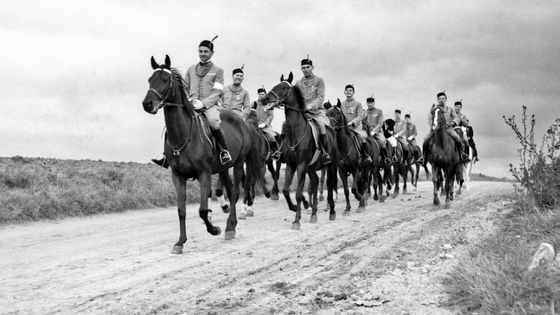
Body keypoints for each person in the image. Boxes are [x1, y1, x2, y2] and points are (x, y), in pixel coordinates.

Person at [151, 37, 231, 168]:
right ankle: (166, 155)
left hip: (209, 106)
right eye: (200, 51)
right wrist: (189, 99)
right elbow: (185, 88)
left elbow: (218, 92)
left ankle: (224, 151)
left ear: (212, 53)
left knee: (213, 123)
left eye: (206, 51)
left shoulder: (218, 71)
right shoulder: (191, 69)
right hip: (191, 104)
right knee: (173, 123)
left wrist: (203, 103)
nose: (203, 54)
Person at [273, 56, 332, 164]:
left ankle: (325, 153)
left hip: (316, 112)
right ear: (301, 69)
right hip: (302, 114)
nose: (305, 69)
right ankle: (280, 151)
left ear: (312, 67)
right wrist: (279, 102)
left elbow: (320, 98)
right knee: (285, 124)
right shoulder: (298, 83)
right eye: (303, 67)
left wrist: (310, 106)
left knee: (322, 126)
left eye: (308, 67)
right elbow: (293, 98)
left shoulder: (319, 80)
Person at [421, 91, 468, 166]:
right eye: (439, 99)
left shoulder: (450, 109)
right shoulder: (434, 109)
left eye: (443, 98)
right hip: (436, 130)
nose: (441, 100)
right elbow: (430, 119)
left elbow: (456, 117)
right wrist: (432, 127)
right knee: (425, 140)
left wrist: (453, 122)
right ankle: (424, 158)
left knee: (458, 139)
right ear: (437, 100)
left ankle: (462, 154)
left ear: (446, 99)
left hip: (448, 129)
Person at [340, 84, 371, 163]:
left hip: (355, 127)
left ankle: (366, 156)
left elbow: (360, 116)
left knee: (362, 138)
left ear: (353, 92)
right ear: (344, 92)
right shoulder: (342, 104)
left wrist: (352, 122)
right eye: (347, 90)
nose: (348, 92)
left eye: (350, 90)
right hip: (344, 127)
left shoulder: (358, 104)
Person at [253, 87, 280, 158]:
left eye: (263, 94)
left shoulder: (269, 104)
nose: (261, 96)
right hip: (255, 125)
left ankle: (275, 152)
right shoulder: (254, 103)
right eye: (260, 94)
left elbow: (270, 116)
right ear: (258, 95)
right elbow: (251, 113)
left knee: (271, 137)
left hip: (265, 126)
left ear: (265, 95)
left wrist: (265, 124)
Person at [363, 96, 390, 163]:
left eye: (371, 103)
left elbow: (380, 123)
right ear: (366, 103)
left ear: (374, 103)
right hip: (367, 132)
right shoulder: (365, 112)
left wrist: (374, 131)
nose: (370, 104)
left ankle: (386, 158)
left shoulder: (379, 111)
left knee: (382, 142)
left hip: (377, 132)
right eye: (368, 103)